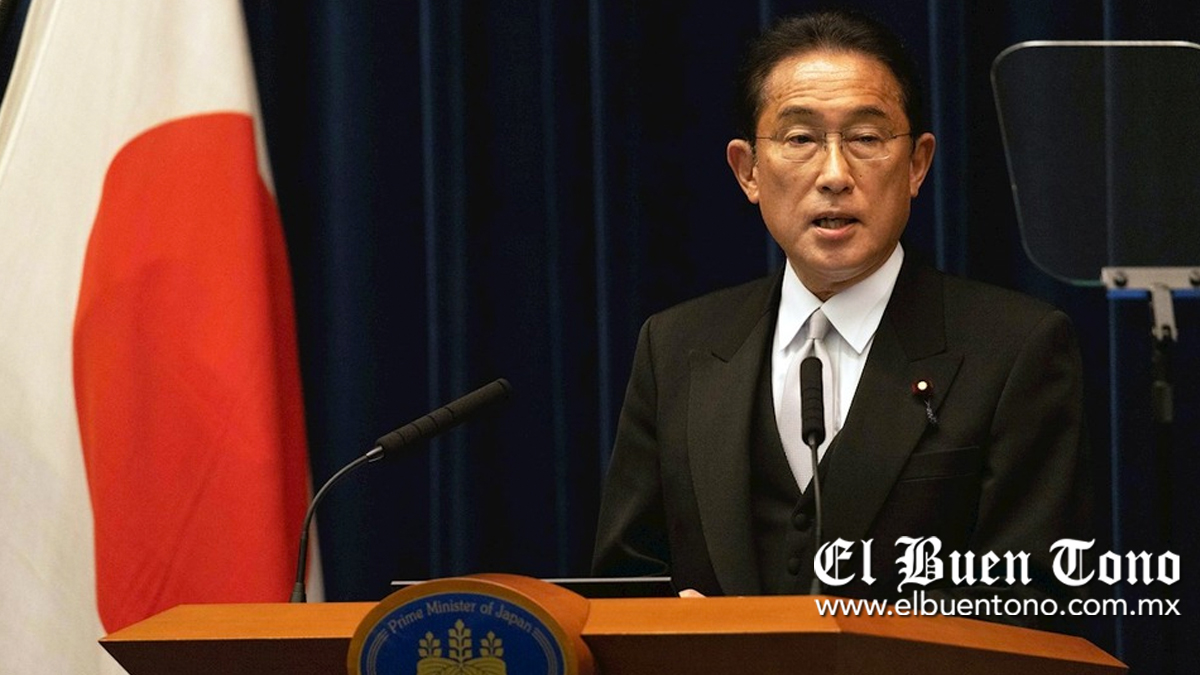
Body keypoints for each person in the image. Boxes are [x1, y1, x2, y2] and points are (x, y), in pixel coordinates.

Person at [591, 9, 1089, 622]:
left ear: (917, 164)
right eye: (800, 139)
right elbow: (622, 584)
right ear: (748, 171)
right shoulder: (675, 346)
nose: (834, 175)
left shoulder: (1016, 348)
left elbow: (1032, 602)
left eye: (866, 139)